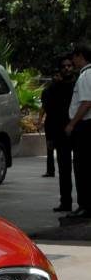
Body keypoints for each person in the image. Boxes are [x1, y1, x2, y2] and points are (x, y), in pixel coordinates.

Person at [38, 57, 76, 211]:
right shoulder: (54, 89)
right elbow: (50, 114)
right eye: (64, 66)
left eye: (69, 65)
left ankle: (85, 204)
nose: (67, 68)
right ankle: (65, 202)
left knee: (83, 170)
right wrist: (50, 137)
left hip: (79, 132)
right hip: (60, 134)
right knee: (64, 169)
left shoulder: (78, 85)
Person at [65, 43, 91, 218]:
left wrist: (72, 123)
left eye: (74, 57)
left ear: (80, 56)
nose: (72, 61)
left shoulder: (86, 75)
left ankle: (85, 205)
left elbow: (86, 102)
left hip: (85, 125)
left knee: (82, 166)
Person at [38, 70, 62, 178]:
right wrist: (40, 121)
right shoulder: (46, 91)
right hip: (50, 122)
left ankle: (62, 169)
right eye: (56, 75)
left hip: (63, 121)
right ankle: (50, 170)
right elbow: (43, 107)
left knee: (62, 147)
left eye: (59, 76)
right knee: (50, 147)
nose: (57, 78)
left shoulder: (66, 90)